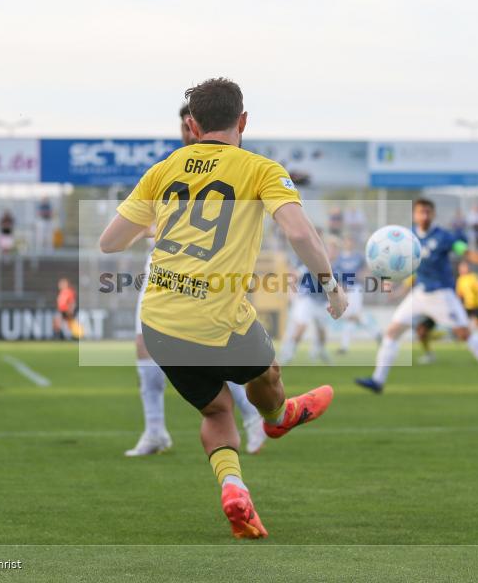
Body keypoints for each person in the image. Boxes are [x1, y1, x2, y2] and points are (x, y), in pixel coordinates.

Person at [100, 78, 347, 539]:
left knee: (216, 412)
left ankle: (233, 487)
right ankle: (279, 419)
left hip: (159, 323)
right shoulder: (261, 169)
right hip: (216, 316)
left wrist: (159, 222)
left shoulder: (163, 169)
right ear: (244, 121)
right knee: (267, 375)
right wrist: (332, 286)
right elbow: (298, 233)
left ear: (191, 125)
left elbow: (109, 242)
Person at [125, 102, 267, 458]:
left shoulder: (239, 166)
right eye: (185, 127)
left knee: (216, 353)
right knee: (144, 347)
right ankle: (155, 430)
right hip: (164, 272)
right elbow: (144, 220)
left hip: (211, 274)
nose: (189, 132)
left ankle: (252, 417)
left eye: (193, 126)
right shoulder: (169, 167)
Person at [355, 198, 478, 395]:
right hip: (420, 293)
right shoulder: (408, 237)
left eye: (428, 212)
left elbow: (467, 253)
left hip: (442, 295)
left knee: (465, 334)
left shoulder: (444, 237)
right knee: (392, 331)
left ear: (434, 214)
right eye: (421, 212)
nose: (424, 216)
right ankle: (378, 380)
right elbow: (397, 262)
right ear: (414, 214)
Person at [278, 233, 334, 364]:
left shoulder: (330, 261)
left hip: (322, 300)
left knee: (322, 332)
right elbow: (295, 275)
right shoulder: (309, 259)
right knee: (300, 326)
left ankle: (321, 350)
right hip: (308, 298)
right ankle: (288, 353)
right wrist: (292, 292)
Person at [333, 236, 375, 354]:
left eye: (350, 241)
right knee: (353, 317)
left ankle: (344, 347)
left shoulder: (358, 257)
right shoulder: (339, 258)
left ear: (353, 243)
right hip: (345, 290)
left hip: (356, 288)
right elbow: (337, 276)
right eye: (347, 241)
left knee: (350, 317)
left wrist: (362, 274)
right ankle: (377, 333)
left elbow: (367, 269)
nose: (348, 244)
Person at [455, 261, 478, 330]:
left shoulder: (474, 277)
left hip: (476, 304)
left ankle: (476, 333)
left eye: (464, 267)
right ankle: (469, 334)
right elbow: (459, 294)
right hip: (467, 305)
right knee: (464, 322)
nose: (462, 269)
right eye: (461, 268)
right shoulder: (460, 280)